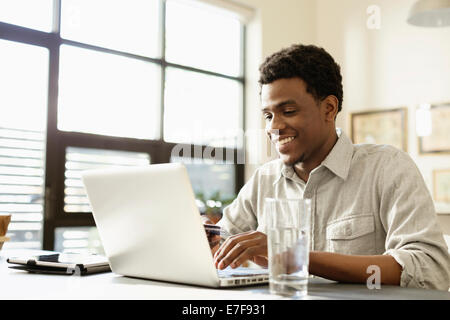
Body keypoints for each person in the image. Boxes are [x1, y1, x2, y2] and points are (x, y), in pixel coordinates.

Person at [209, 44, 450, 290]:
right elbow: (221, 240)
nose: (274, 127)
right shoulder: (264, 179)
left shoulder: (387, 168)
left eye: (288, 111)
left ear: (329, 108)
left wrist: (293, 255)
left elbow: (430, 269)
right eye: (268, 116)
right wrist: (204, 240)